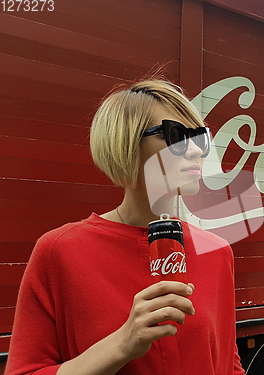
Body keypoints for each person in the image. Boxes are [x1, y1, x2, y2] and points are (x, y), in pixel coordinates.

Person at [6, 78, 245, 375]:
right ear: (126, 143)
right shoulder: (59, 252)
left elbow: (228, 365)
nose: (196, 150)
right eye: (176, 135)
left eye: (200, 137)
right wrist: (123, 343)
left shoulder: (217, 252)